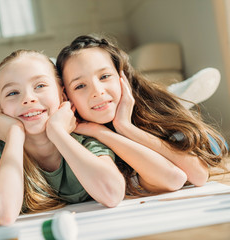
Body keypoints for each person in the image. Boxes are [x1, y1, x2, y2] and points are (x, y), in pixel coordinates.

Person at [56, 35, 228, 195]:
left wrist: (125, 127)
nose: (97, 91)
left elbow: (198, 175)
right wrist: (99, 132)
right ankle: (178, 94)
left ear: (121, 77)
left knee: (205, 139)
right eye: (80, 86)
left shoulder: (152, 110)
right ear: (66, 96)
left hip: (179, 132)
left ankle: (174, 94)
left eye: (105, 76)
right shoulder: (80, 141)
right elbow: (174, 177)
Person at [0, 49, 125, 225]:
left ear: (63, 95)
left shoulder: (83, 139)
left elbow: (112, 194)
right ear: (1, 110)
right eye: (12, 93)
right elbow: (2, 214)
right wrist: (14, 137)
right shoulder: (0, 149)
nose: (28, 99)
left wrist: (57, 132)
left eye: (40, 86)